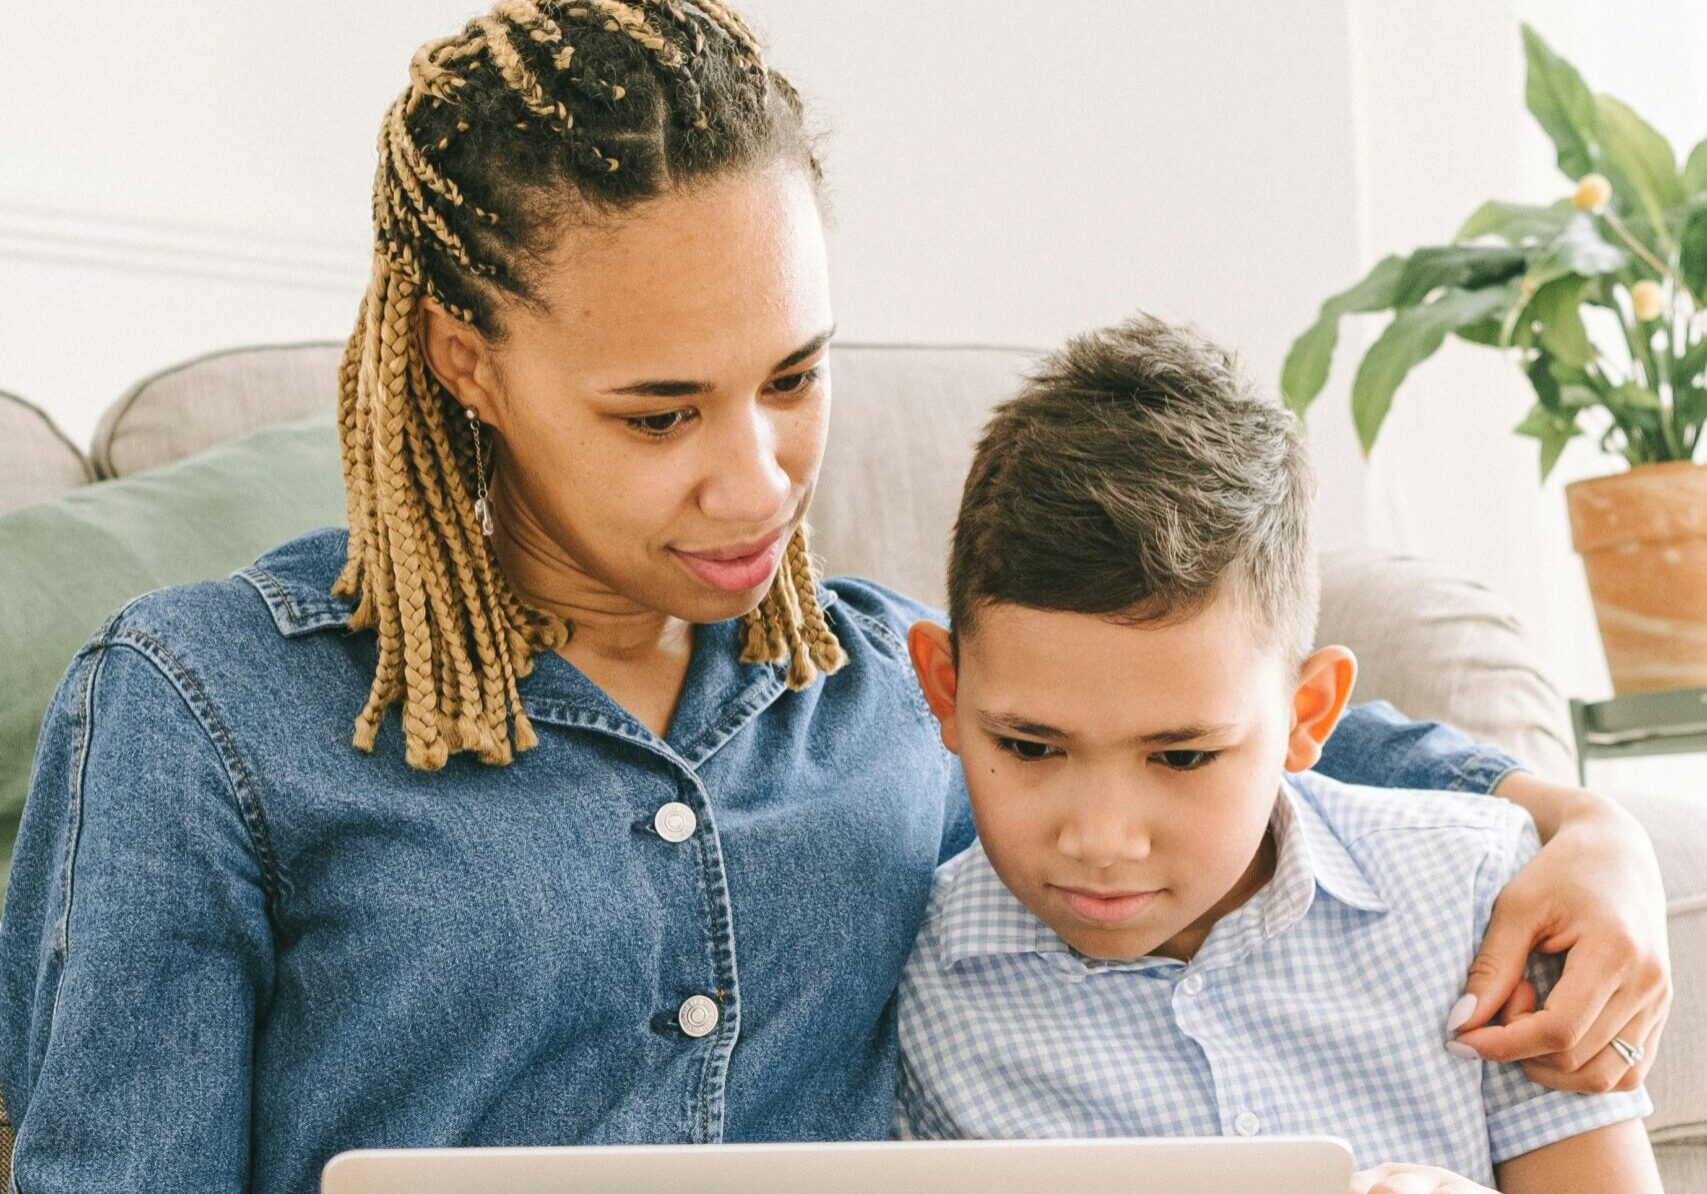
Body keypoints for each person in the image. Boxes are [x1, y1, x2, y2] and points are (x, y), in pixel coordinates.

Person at [0, 3, 1670, 1192]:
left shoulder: (885, 686)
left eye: (790, 377)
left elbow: (1270, 735)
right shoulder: (200, 706)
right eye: (659, 412)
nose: (755, 478)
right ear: (466, 359)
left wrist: (1594, 845)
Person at [896, 315, 1663, 1193]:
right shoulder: (906, 983)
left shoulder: (1478, 896)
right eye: (1031, 746)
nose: (1102, 840)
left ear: (1308, 714)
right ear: (945, 692)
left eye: (1180, 758)